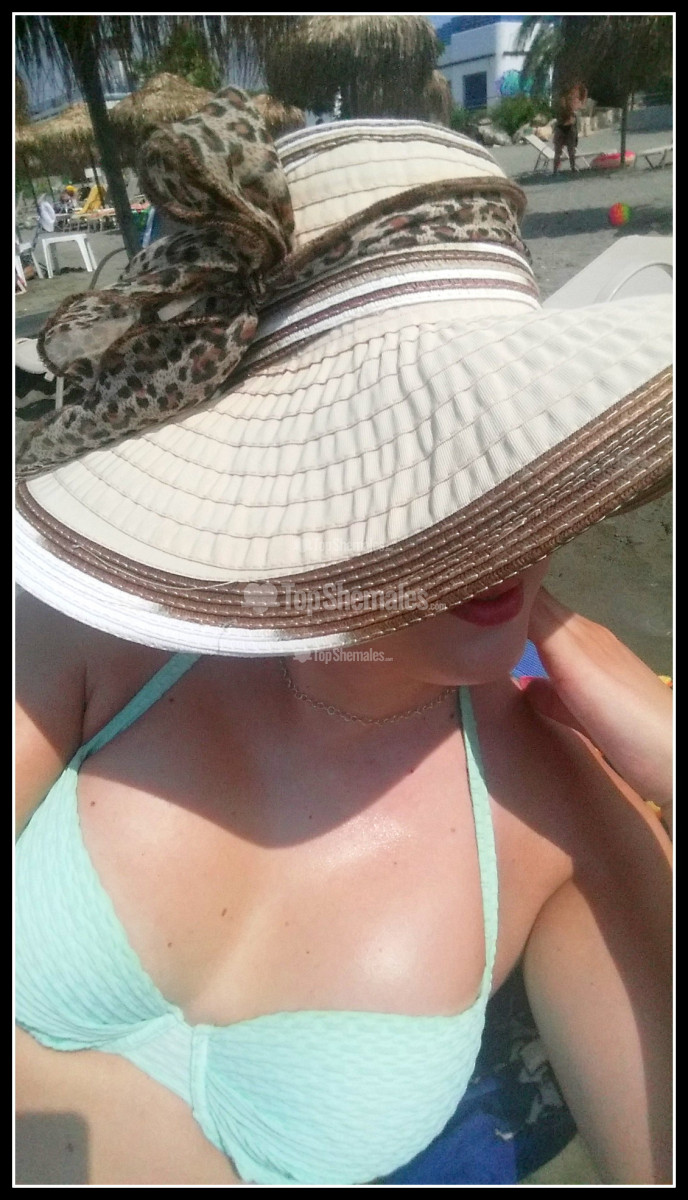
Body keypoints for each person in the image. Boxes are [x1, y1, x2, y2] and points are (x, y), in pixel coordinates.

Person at [15, 91, 672, 1185]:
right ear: (280, 473)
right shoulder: (97, 636)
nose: (498, 524)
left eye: (516, 454)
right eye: (421, 460)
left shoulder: (562, 805)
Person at [552, 81, 588, 174]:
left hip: (569, 127)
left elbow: (579, 107)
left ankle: (572, 168)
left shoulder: (572, 100)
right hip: (561, 127)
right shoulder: (562, 101)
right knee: (558, 151)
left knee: (571, 151)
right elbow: (562, 112)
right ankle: (556, 170)